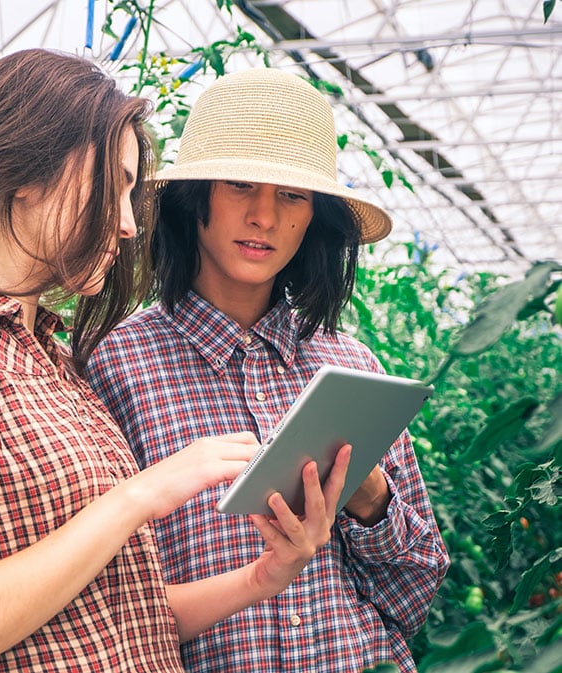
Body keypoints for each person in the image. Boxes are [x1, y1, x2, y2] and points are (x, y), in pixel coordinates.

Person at [0, 50, 352, 673]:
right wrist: (139, 496)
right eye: (117, 185)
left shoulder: (50, 359)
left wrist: (263, 578)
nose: (130, 224)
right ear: (22, 171)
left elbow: (119, 621)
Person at [85, 67, 451, 673]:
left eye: (292, 195)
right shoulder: (117, 367)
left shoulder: (349, 366)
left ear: (315, 219)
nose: (264, 216)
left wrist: (368, 497)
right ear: (191, 199)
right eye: (239, 185)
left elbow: (415, 595)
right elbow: (106, 610)